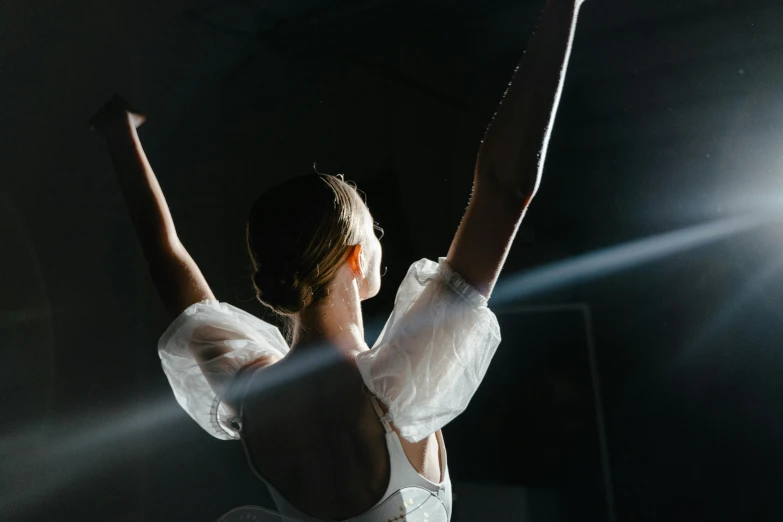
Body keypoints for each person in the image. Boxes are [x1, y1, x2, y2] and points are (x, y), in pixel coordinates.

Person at [90, 0, 588, 519]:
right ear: (355, 256)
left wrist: (119, 138)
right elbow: (503, 191)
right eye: (373, 229)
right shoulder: (399, 384)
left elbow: (167, 259)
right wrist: (562, 12)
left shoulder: (250, 392)